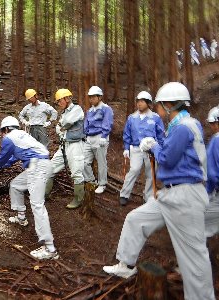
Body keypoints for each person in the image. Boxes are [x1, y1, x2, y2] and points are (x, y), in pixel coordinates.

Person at [103, 82, 215, 300]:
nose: (159, 109)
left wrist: (153, 146)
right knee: (136, 219)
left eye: (161, 105)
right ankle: (126, 264)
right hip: (171, 193)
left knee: (193, 255)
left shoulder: (183, 127)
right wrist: (154, 145)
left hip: (185, 195)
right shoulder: (180, 125)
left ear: (169, 105)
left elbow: (167, 159)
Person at [0, 116, 59, 260]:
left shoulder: (9, 138)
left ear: (6, 129)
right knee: (16, 185)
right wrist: (2, 165)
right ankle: (21, 218)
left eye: (2, 132)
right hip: (39, 164)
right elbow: (13, 157)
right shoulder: (22, 136)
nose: (2, 135)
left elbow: (4, 156)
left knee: (37, 205)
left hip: (37, 166)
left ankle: (49, 248)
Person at [119, 91, 165, 206]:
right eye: (138, 101)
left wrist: (161, 149)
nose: (139, 104)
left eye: (142, 102)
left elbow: (160, 135)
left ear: (148, 103)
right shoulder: (132, 118)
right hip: (136, 149)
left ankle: (148, 196)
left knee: (151, 173)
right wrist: (126, 148)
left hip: (151, 150)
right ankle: (124, 194)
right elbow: (127, 134)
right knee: (134, 170)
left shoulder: (155, 118)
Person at [45, 89, 86, 209]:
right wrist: (62, 126)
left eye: (60, 100)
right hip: (64, 145)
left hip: (76, 145)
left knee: (76, 173)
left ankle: (78, 199)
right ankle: (45, 194)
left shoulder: (76, 109)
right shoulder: (63, 113)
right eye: (57, 101)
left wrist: (62, 126)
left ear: (67, 98)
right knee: (50, 168)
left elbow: (66, 122)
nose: (58, 103)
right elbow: (59, 128)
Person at [83, 86, 114, 194]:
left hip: (100, 136)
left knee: (101, 162)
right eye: (90, 97)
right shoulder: (90, 110)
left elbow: (107, 122)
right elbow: (86, 123)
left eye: (93, 97)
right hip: (89, 137)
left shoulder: (106, 108)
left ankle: (102, 184)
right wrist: (85, 134)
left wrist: (104, 136)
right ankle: (91, 180)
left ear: (99, 97)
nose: (91, 99)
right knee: (84, 161)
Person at [204, 106, 219, 238]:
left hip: (216, 192)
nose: (211, 127)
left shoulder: (216, 141)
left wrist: (209, 191)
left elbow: (212, 172)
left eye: (212, 124)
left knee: (202, 228)